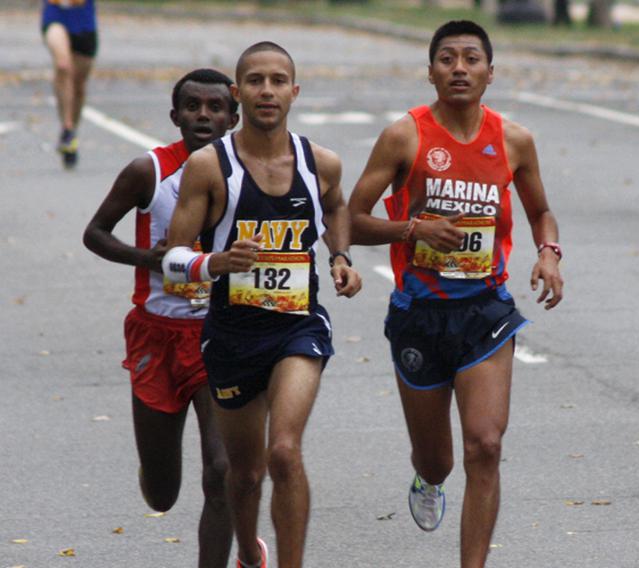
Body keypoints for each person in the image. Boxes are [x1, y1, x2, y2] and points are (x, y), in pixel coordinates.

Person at [348, 20, 564, 568]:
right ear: (431, 72)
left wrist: (548, 252)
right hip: (419, 312)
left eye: (471, 59)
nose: (460, 68)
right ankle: (427, 476)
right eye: (447, 59)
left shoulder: (513, 140)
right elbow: (350, 218)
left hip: (485, 310)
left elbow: (541, 211)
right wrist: (413, 229)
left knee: (485, 447)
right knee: (440, 460)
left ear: (490, 74)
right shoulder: (405, 136)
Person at [162, 42, 361, 568]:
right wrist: (214, 263)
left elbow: (337, 207)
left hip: (298, 327)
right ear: (237, 92)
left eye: (278, 81)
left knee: (284, 452)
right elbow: (171, 258)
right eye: (255, 81)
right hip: (231, 333)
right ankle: (250, 554)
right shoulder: (209, 167)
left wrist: (339, 256)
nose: (266, 91)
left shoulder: (322, 162)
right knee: (244, 475)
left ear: (294, 92)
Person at [83, 68, 239, 567]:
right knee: (162, 494)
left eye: (216, 107)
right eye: (193, 106)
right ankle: (155, 476)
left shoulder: (250, 172)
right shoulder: (148, 171)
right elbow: (96, 233)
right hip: (157, 333)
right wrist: (147, 259)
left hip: (220, 334)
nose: (204, 116)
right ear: (175, 116)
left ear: (233, 117)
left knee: (222, 470)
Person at [41, 0, 97, 168]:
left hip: (84, 21)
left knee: (79, 86)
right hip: (55, 15)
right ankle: (67, 126)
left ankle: (71, 133)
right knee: (63, 65)